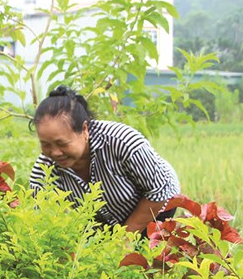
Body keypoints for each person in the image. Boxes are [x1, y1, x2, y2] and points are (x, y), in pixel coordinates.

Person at [29, 85, 180, 233]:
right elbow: (47, 223)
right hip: (106, 223)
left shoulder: (122, 142)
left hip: (157, 204)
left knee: (148, 254)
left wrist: (124, 241)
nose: (55, 153)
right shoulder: (44, 172)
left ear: (84, 130)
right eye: (46, 144)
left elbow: (159, 190)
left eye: (62, 144)